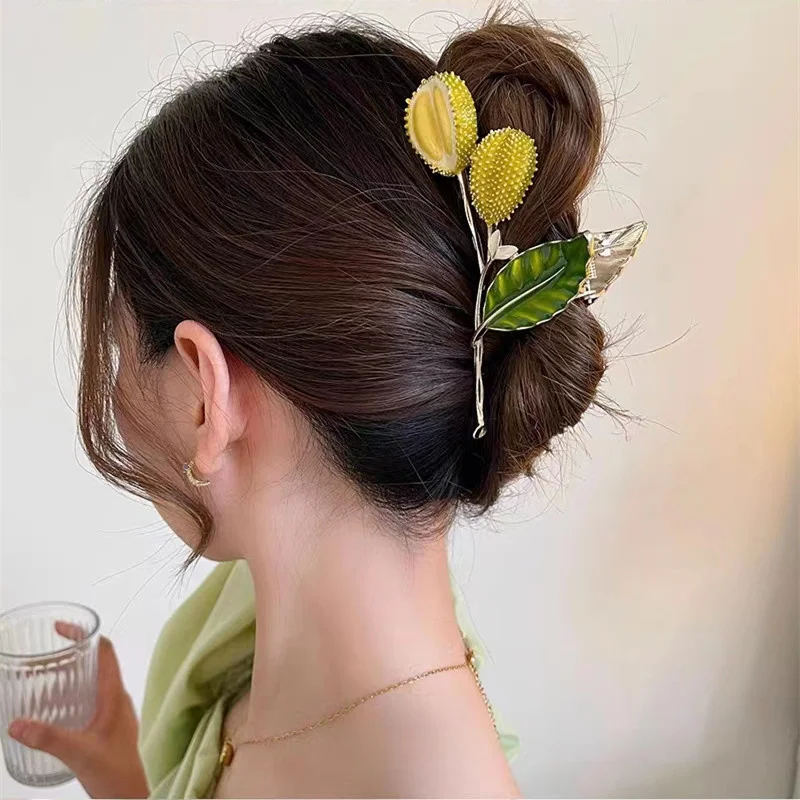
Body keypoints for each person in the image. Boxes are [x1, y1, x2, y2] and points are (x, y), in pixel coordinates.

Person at [7, 11, 627, 798]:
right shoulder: (271, 636)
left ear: (203, 391)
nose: (117, 388)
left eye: (122, 349)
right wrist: (126, 775)